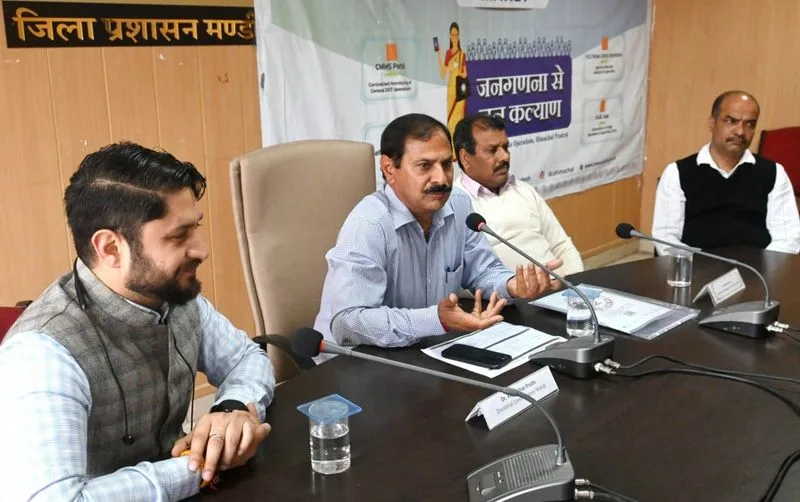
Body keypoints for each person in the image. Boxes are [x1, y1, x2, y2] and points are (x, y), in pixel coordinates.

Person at [0, 143, 276, 501]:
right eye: (179, 235)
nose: (202, 249)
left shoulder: (171, 296)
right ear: (111, 249)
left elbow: (245, 358)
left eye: (196, 227)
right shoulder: (43, 354)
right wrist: (201, 465)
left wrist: (232, 409)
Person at [314, 113, 559, 350]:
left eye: (446, 164)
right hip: (352, 359)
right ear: (389, 168)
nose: (441, 179)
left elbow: (483, 270)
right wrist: (435, 320)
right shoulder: (369, 224)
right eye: (425, 166)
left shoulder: (458, 205)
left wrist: (512, 285)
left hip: (424, 349)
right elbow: (348, 322)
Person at [652, 90, 800, 255]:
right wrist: (694, 266)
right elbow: (665, 238)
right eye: (731, 121)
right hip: (697, 267)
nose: (740, 131)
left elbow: (788, 238)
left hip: (757, 268)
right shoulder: (677, 173)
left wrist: (762, 267)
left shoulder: (774, 173)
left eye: (750, 124)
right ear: (712, 123)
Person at [453, 113, 584, 275]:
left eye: (505, 147)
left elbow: (562, 246)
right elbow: (460, 276)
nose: (504, 156)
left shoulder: (523, 190)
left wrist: (575, 283)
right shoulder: (455, 205)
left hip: (558, 285)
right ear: (465, 158)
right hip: (506, 290)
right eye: (492, 150)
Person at [437, 21, 469, 139]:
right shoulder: (448, 54)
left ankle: (459, 142)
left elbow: (465, 74)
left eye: (456, 34)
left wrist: (458, 72)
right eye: (452, 35)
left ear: (459, 36)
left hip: (459, 90)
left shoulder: (462, 54)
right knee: (450, 119)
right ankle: (452, 145)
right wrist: (439, 54)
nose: (454, 37)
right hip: (451, 90)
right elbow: (443, 74)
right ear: (450, 36)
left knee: (459, 119)